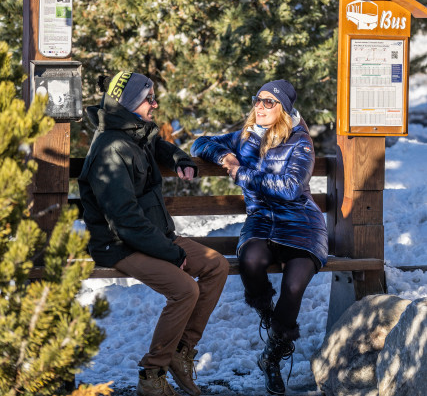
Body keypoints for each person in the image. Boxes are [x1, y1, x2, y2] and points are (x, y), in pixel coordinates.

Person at [78, 71, 229, 396]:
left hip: (151, 236)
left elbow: (156, 144)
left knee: (217, 265)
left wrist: (179, 159)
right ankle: (153, 374)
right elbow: (125, 221)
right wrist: (172, 254)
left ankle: (181, 351)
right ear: (130, 104)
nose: (155, 103)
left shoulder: (131, 134)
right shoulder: (110, 150)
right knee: (185, 290)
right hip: (120, 244)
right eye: (148, 99)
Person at [191, 80, 328, 396]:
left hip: (301, 225)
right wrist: (226, 157)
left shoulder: (300, 142)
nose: (260, 106)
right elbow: (199, 144)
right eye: (258, 100)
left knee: (294, 285)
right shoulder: (244, 138)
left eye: (269, 102)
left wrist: (243, 174)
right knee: (250, 259)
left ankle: (275, 354)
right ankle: (269, 316)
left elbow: (291, 187)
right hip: (262, 224)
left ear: (283, 110)